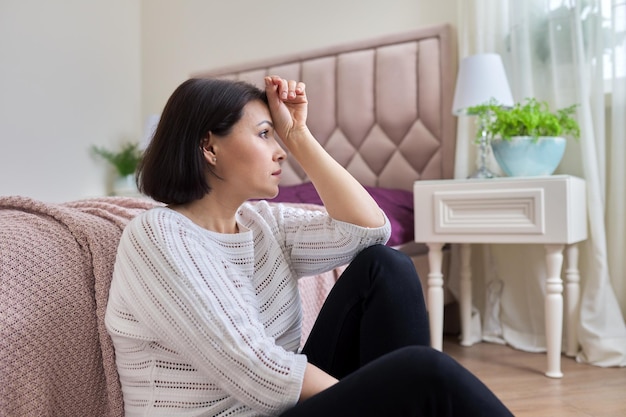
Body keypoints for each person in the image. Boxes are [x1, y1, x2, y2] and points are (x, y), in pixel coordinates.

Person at [105, 75, 513, 417]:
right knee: (425, 373)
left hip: (279, 410)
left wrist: (299, 135)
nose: (280, 150)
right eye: (265, 135)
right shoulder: (158, 234)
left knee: (385, 266)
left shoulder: (262, 222)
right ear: (209, 147)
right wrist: (385, 397)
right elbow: (256, 369)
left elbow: (370, 233)